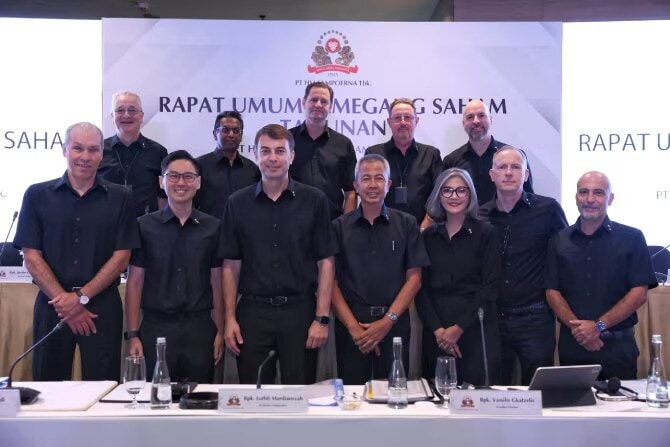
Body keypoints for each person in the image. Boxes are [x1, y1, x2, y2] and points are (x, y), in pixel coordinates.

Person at [13, 122, 139, 381]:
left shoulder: (122, 197)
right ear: (64, 150)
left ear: (101, 154)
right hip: (53, 304)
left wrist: (80, 298)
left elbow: (122, 256)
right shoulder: (36, 195)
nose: (85, 156)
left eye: (93, 150)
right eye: (78, 148)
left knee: (103, 385)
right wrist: (66, 301)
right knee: (48, 386)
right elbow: (31, 256)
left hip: (101, 306)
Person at [221, 124, 335, 385]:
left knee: (301, 395)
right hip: (252, 314)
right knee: (253, 395)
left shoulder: (315, 201)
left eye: (280, 151)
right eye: (265, 151)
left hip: (300, 313)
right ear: (256, 155)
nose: (272, 158)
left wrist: (321, 318)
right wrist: (229, 319)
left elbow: (326, 262)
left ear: (292, 156)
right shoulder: (236, 203)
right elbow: (230, 265)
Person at [546, 171, 657, 380]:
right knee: (574, 402)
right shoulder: (558, 240)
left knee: (622, 402)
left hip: (617, 348)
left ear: (610, 198)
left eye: (598, 192)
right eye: (583, 192)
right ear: (576, 197)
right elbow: (552, 291)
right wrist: (581, 331)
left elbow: (640, 293)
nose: (590, 199)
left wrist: (597, 326)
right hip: (574, 346)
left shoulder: (632, 238)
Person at [125, 150, 224, 383]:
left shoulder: (213, 227)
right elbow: (135, 282)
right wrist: (133, 334)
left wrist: (220, 331)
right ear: (161, 181)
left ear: (198, 182)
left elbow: (217, 283)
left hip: (200, 330)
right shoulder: (144, 226)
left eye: (188, 177)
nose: (181, 183)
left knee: (200, 398)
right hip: (156, 329)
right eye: (173, 176)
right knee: (157, 398)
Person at [331, 154, 429, 384]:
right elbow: (330, 282)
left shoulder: (407, 223)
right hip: (352, 326)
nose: (373, 185)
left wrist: (387, 322)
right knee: (352, 396)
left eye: (379, 178)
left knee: (393, 394)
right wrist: (355, 329)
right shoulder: (338, 227)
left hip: (394, 324)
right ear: (356, 186)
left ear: (389, 184)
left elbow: (415, 278)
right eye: (366, 179)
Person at [480, 146, 567, 384]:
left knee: (538, 391)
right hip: (493, 320)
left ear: (526, 175)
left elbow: (565, 255)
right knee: (494, 391)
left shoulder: (548, 210)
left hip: (535, 318)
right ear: (492, 175)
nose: (509, 172)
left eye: (516, 167)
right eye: (502, 167)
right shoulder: (479, 215)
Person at [416, 168, 501, 386]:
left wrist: (458, 329)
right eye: (447, 190)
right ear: (438, 195)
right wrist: (439, 331)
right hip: (437, 329)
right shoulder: (428, 237)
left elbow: (490, 287)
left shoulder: (486, 233)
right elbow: (421, 289)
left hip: (474, 327)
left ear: (470, 195)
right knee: (437, 397)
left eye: (461, 190)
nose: (454, 196)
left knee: (476, 398)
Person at [365, 98, 442, 229]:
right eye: (397, 118)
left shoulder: (431, 154)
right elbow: (367, 193)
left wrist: (424, 228)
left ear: (416, 121)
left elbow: (439, 195)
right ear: (389, 122)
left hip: (423, 230)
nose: (402, 122)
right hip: (382, 229)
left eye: (407, 117)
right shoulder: (374, 154)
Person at [442, 99, 533, 204]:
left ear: (490, 120)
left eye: (481, 115)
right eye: (470, 117)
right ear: (463, 124)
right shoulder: (451, 161)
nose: (476, 121)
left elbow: (528, 197)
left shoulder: (516, 156)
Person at [289, 82, 357, 219]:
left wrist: (344, 226)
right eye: (313, 99)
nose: (318, 105)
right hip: (293, 222)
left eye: (324, 101)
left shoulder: (344, 144)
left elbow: (351, 192)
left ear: (330, 106)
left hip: (331, 224)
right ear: (304, 102)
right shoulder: (287, 140)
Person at [98, 91, 168, 216]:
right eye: (120, 110)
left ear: (141, 116)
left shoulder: (158, 152)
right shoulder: (98, 150)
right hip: (105, 223)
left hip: (145, 225)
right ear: (112, 116)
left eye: (132, 110)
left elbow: (162, 196)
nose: (126, 115)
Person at [195, 111, 260, 219]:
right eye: (225, 130)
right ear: (215, 134)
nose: (231, 135)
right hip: (210, 228)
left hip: (244, 229)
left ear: (241, 136)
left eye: (236, 131)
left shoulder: (252, 169)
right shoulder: (198, 166)